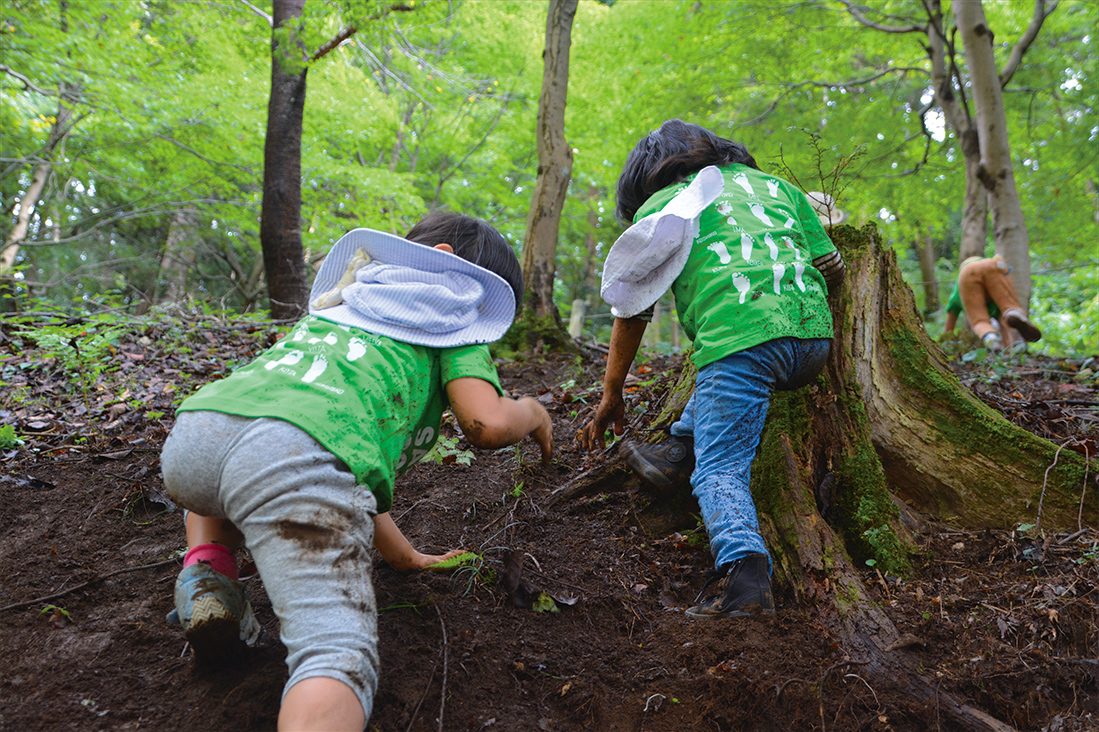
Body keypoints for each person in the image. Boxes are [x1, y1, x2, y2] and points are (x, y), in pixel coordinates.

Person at [160, 211, 553, 732]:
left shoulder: (342, 302)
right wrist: (534, 413)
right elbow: (487, 423)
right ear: (457, 273)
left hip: (199, 434)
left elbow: (340, 476)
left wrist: (406, 557)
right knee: (333, 654)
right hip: (290, 456)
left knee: (247, 472)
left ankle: (208, 573)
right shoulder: (452, 320)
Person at [580, 120, 845, 620]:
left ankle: (744, 578)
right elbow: (830, 264)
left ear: (645, 178)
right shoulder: (778, 188)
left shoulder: (664, 207)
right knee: (720, 381)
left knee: (721, 469)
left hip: (741, 343)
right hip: (814, 341)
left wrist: (612, 392)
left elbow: (632, 310)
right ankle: (678, 451)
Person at [943, 255, 1041, 351]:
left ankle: (990, 337)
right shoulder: (994, 302)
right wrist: (1009, 350)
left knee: (979, 321)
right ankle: (1014, 312)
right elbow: (1004, 325)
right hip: (993, 265)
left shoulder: (958, 289)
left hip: (968, 272)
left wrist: (946, 345)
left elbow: (950, 324)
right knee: (1008, 307)